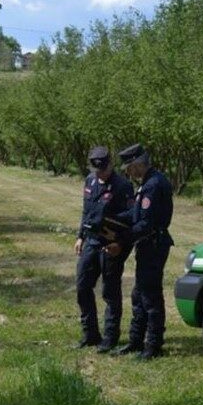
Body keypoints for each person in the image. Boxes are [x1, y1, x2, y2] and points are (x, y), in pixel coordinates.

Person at [104, 144, 174, 360]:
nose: (127, 172)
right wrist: (109, 220)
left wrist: (120, 239)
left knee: (150, 296)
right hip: (146, 245)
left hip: (153, 244)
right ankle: (136, 341)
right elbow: (135, 214)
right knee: (138, 294)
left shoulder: (153, 185)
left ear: (137, 164)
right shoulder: (148, 183)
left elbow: (145, 224)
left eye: (129, 167)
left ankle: (153, 345)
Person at [74, 145, 135, 352]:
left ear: (110, 164)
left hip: (111, 246)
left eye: (103, 170)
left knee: (110, 292)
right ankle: (90, 334)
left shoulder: (122, 186)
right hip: (91, 242)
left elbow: (130, 222)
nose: (100, 174)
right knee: (82, 286)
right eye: (96, 171)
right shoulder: (90, 181)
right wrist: (80, 236)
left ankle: (110, 337)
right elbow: (86, 211)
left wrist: (120, 244)